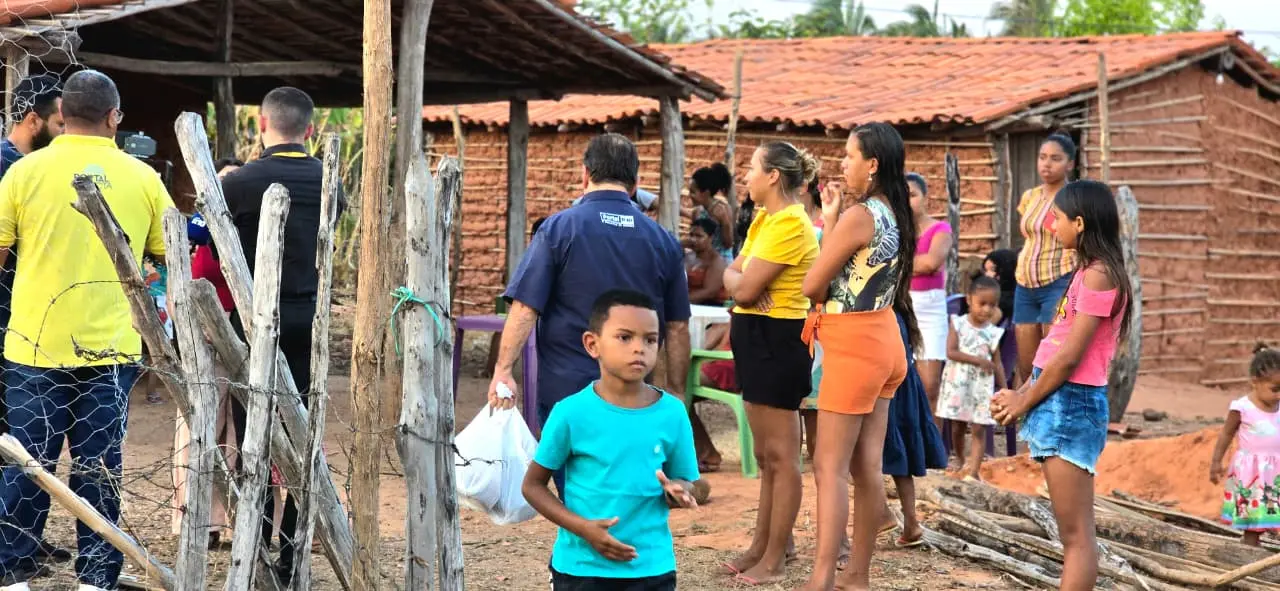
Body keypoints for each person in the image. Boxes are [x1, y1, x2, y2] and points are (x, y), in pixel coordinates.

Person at [0, 69, 170, 591]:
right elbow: (164, 263)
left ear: (61, 117)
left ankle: (11, 575)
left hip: (33, 345)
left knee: (27, 462)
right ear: (114, 117)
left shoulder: (23, 174)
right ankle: (97, 579)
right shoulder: (144, 178)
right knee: (99, 466)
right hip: (111, 349)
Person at [489, 133, 691, 499]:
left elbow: (525, 308)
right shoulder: (663, 242)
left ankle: (589, 549)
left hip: (569, 389)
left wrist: (504, 370)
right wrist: (675, 390)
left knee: (578, 493)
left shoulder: (558, 229)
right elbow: (677, 327)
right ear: (635, 183)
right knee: (633, 491)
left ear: (585, 175)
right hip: (637, 394)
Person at [991, 179, 1133, 591]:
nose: (1051, 225)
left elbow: (1069, 357)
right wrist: (1024, 393)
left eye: (1057, 218)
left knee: (1075, 536)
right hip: (1060, 399)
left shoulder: (1100, 276)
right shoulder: (1089, 271)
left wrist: (1023, 400)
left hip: (1071, 402)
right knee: (1072, 533)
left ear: (1081, 223)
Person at [222, 86, 338, 584]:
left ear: (262, 126)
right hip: (310, 319)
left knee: (255, 434)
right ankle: (293, 551)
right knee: (303, 430)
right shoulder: (327, 178)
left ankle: (257, 541)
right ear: (309, 130)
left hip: (255, 322)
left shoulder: (241, 182)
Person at [799, 122, 918, 591]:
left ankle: (822, 578)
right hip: (886, 340)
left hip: (851, 343)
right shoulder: (896, 212)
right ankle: (857, 576)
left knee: (829, 468)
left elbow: (813, 284)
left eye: (849, 156)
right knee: (867, 466)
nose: (842, 164)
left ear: (872, 164)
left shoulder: (861, 215)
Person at [521, 290, 698, 591]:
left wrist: (680, 491)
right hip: (582, 568)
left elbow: (692, 480)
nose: (639, 349)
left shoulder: (672, 413)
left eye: (650, 339)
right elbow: (533, 486)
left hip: (652, 566)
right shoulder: (571, 413)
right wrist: (584, 529)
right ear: (593, 344)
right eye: (625, 337)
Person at [720, 142, 819, 586]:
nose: (746, 177)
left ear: (774, 176)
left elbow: (739, 288)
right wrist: (740, 282)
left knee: (782, 456)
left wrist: (740, 283)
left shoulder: (790, 224)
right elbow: (732, 275)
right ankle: (764, 545)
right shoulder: (764, 218)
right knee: (765, 456)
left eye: (752, 169)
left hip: (779, 340)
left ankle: (776, 557)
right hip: (756, 337)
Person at [0, 74, 63, 433]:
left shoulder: (37, 168)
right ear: (32, 120)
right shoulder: (8, 165)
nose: (64, 133)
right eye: (59, 124)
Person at [1012, 133, 1078, 386]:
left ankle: (1053, 420)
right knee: (1026, 363)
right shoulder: (1030, 196)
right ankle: (1029, 422)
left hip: (1058, 281)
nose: (1046, 164)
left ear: (1069, 164)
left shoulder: (1072, 198)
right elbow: (1029, 235)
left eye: (1055, 159)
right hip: (1024, 284)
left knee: (1051, 360)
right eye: (1042, 158)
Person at [936, 276, 1007, 478]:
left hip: (981, 388)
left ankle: (974, 471)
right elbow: (951, 352)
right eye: (982, 303)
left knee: (979, 428)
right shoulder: (957, 324)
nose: (986, 310)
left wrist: (1003, 388)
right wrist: (978, 361)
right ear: (969, 300)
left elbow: (998, 363)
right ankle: (959, 458)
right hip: (958, 384)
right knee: (957, 427)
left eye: (992, 305)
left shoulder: (994, 333)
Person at [1211, 344, 1280, 546]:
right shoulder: (1242, 408)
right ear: (1255, 382)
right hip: (1253, 473)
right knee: (1252, 520)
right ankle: (1248, 554)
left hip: (1276, 471)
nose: (1279, 395)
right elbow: (1226, 434)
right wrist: (1216, 462)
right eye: (1275, 389)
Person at [905, 172, 952, 423]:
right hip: (901, 307)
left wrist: (896, 264)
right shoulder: (895, 231)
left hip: (930, 309)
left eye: (912, 194)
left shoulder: (940, 229)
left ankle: (931, 452)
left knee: (930, 385)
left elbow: (932, 262)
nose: (907, 200)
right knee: (898, 384)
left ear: (925, 198)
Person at [685, 163, 734, 261]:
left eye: (693, 192)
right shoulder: (697, 212)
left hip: (722, 261)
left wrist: (725, 222)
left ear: (706, 193)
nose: (689, 195)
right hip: (703, 261)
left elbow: (728, 244)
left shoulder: (722, 210)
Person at [685, 218, 727, 306]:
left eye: (699, 236)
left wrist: (678, 301)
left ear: (711, 238)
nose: (693, 239)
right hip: (689, 304)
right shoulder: (688, 256)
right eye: (691, 235)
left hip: (710, 308)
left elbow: (709, 292)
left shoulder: (717, 261)